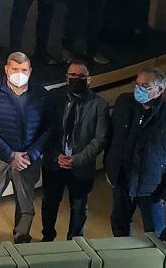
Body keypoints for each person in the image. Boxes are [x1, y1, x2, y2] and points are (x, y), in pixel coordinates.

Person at [0, 51, 48, 244]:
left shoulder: (41, 94)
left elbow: (49, 128)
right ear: (7, 69)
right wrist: (9, 155)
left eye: (23, 69)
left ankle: (21, 238)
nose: (19, 73)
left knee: (26, 207)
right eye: (15, 69)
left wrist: (32, 154)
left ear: (30, 71)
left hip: (28, 160)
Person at [106, 67, 166, 237]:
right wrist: (109, 166)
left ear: (160, 89)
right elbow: (111, 137)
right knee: (119, 225)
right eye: (137, 84)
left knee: (155, 232)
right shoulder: (124, 103)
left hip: (152, 187)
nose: (139, 89)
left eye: (145, 86)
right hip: (122, 179)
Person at [40, 59, 109, 241]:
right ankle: (47, 238)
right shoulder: (53, 97)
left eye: (81, 76)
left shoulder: (99, 104)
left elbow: (100, 139)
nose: (76, 79)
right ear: (66, 77)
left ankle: (75, 243)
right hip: (54, 163)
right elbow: (45, 130)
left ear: (89, 79)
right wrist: (56, 156)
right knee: (49, 204)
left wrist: (77, 159)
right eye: (72, 75)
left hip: (81, 166)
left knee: (79, 207)